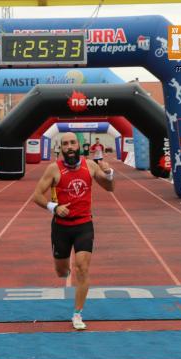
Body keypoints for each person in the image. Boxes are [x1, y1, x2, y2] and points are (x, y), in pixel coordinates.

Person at [33, 132, 115, 330]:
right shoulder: (53, 169)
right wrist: (54, 207)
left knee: (82, 267)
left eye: (72, 143)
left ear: (79, 146)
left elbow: (109, 187)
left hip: (84, 224)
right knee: (61, 271)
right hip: (61, 226)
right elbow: (36, 196)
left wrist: (109, 173)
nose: (69, 146)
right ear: (61, 148)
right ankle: (65, 268)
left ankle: (77, 313)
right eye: (65, 144)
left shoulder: (91, 166)